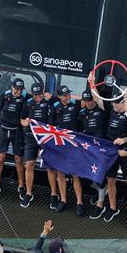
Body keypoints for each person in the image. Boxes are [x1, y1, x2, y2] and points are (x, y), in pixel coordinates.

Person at [89, 94, 127, 222]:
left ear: (122, 103)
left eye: (116, 103)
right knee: (110, 179)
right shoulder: (112, 110)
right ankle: (112, 208)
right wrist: (91, 81)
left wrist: (123, 139)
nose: (113, 105)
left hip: (124, 151)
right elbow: (97, 98)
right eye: (112, 103)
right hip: (110, 150)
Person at [0, 78, 26, 200]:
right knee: (0, 158)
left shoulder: (25, 97)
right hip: (3, 129)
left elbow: (38, 97)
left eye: (20, 90)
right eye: (16, 90)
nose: (18, 92)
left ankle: (21, 186)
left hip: (17, 130)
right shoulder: (4, 96)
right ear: (12, 88)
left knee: (19, 160)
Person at [51, 85, 83, 213]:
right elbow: (50, 126)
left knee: (75, 173)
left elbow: (85, 100)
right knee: (60, 172)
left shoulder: (75, 104)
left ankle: (79, 202)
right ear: (59, 97)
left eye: (69, 94)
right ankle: (63, 199)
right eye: (65, 95)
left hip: (74, 142)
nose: (68, 96)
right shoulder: (54, 107)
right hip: (60, 143)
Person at [20, 82, 51, 207]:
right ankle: (28, 193)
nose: (37, 97)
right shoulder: (28, 103)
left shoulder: (49, 101)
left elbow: (67, 99)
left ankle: (54, 194)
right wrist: (25, 123)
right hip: (31, 137)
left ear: (43, 92)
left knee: (50, 166)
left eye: (39, 94)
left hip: (45, 138)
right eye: (35, 95)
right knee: (29, 164)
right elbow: (21, 119)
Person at [76, 89, 107, 216]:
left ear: (93, 99)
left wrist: (92, 83)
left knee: (100, 175)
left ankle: (101, 202)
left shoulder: (102, 111)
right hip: (86, 148)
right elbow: (78, 130)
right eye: (86, 101)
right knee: (85, 175)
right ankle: (98, 192)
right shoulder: (82, 112)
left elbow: (102, 102)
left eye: (90, 100)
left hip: (99, 148)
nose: (88, 103)